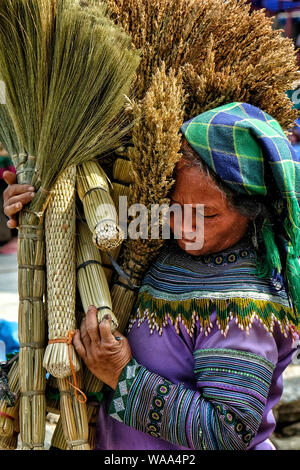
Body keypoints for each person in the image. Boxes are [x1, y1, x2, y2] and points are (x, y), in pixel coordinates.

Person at [3, 102, 300, 450]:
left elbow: (229, 432)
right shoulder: (160, 250)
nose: (186, 228)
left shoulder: (245, 306)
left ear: (253, 211)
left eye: (207, 214)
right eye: (175, 207)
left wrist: (121, 374)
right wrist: (39, 210)